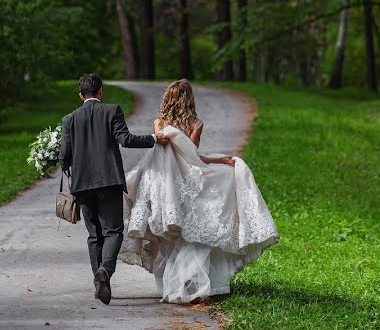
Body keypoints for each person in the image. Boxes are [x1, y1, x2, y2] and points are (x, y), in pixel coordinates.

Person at [120, 79, 279, 303]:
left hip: (166, 186)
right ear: (190, 99)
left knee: (177, 235)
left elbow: (173, 154)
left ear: (167, 99)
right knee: (197, 225)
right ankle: (192, 283)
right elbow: (192, 157)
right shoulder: (196, 123)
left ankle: (178, 283)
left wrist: (217, 158)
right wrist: (219, 160)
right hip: (187, 180)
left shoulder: (159, 123)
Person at [59, 73, 170, 305]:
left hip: (81, 185)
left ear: (81, 95)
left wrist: (68, 164)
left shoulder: (69, 119)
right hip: (108, 181)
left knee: (94, 235)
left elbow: (64, 157)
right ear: (101, 91)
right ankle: (106, 270)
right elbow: (125, 140)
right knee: (114, 231)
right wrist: (153, 138)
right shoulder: (112, 111)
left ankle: (100, 283)